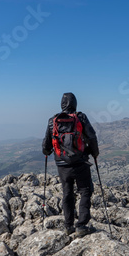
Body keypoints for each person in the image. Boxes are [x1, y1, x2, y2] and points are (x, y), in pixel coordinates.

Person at [42, 92, 99, 237]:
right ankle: (81, 225)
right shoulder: (80, 118)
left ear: (62, 104)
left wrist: (47, 151)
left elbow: (46, 144)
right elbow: (91, 137)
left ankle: (68, 225)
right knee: (85, 191)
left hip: (62, 165)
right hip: (80, 162)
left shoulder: (53, 121)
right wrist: (95, 153)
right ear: (75, 103)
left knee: (67, 193)